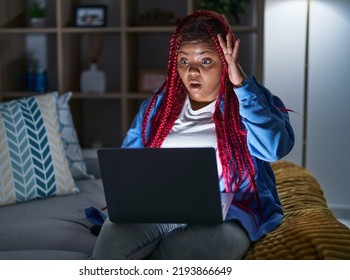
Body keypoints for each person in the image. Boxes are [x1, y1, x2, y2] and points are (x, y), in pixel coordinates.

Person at [91, 10, 294, 260]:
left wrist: (241, 86)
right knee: (110, 249)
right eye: (184, 61)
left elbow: (273, 148)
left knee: (203, 248)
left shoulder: (250, 101)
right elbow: (128, 166)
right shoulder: (156, 109)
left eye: (205, 61)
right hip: (155, 204)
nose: (192, 71)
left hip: (229, 209)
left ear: (225, 63)